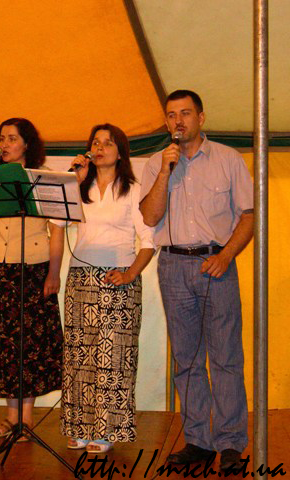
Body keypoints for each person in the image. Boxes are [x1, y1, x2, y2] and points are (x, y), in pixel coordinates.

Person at [140, 90, 253, 471]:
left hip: (215, 263)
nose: (178, 121)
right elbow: (150, 217)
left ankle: (231, 443)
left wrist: (226, 255)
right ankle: (198, 441)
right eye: (172, 115)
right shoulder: (157, 163)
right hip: (173, 266)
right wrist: (164, 172)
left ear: (201, 118)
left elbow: (249, 215)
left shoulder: (228, 159)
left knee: (225, 358)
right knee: (186, 360)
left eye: (185, 113)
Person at [0, 118, 64, 439]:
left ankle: (26, 419)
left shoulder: (44, 178)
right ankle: (11, 418)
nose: (4, 144)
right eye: (1, 138)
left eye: (11, 138)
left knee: (29, 344)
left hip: (33, 268)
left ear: (27, 144)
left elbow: (57, 231)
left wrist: (53, 273)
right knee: (3, 343)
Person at [60, 124, 154, 453]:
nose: (99, 148)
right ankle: (80, 427)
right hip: (79, 279)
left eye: (108, 143)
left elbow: (149, 241)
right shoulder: (78, 187)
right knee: (79, 357)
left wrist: (130, 274)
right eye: (95, 143)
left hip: (117, 280)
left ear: (121, 152)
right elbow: (57, 220)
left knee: (112, 359)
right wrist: (74, 180)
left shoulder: (133, 190)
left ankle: (106, 432)